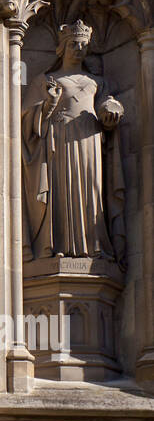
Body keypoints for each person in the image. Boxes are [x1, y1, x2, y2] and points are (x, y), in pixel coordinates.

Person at [21, 19, 125, 263]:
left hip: (89, 140)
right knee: (61, 191)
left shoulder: (96, 82)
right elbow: (26, 120)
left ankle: (94, 246)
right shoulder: (47, 80)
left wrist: (111, 111)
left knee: (91, 192)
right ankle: (57, 245)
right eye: (74, 44)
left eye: (82, 45)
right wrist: (48, 103)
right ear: (63, 48)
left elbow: (108, 105)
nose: (78, 49)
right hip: (59, 140)